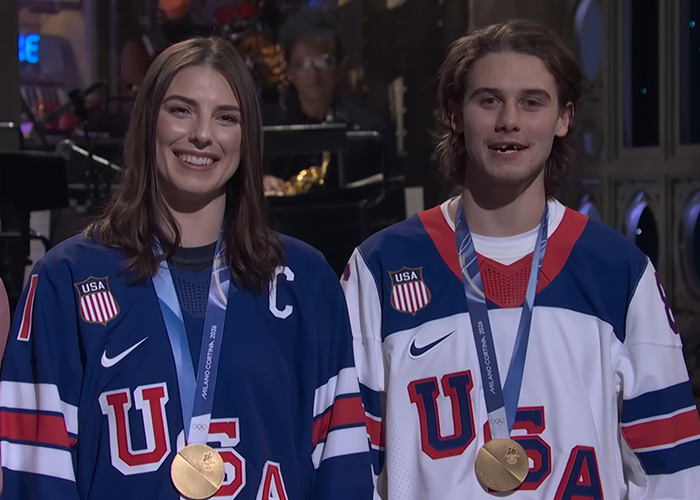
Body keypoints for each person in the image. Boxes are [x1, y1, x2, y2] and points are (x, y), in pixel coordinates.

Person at [0, 37, 374, 499]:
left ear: (246, 136)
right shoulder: (66, 280)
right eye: (181, 110)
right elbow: (38, 475)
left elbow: (341, 470)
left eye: (226, 117)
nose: (203, 134)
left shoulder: (306, 281)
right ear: (147, 123)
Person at [341, 19, 700, 499]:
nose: (509, 120)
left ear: (564, 117)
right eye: (488, 100)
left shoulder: (620, 273)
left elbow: (669, 468)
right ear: (454, 113)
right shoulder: (380, 268)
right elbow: (347, 459)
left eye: (532, 102)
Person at [262, 7, 390, 193]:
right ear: (289, 70)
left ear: (340, 66)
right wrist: (260, 182)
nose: (313, 73)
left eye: (324, 61)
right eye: (302, 63)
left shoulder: (370, 131)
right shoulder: (264, 130)